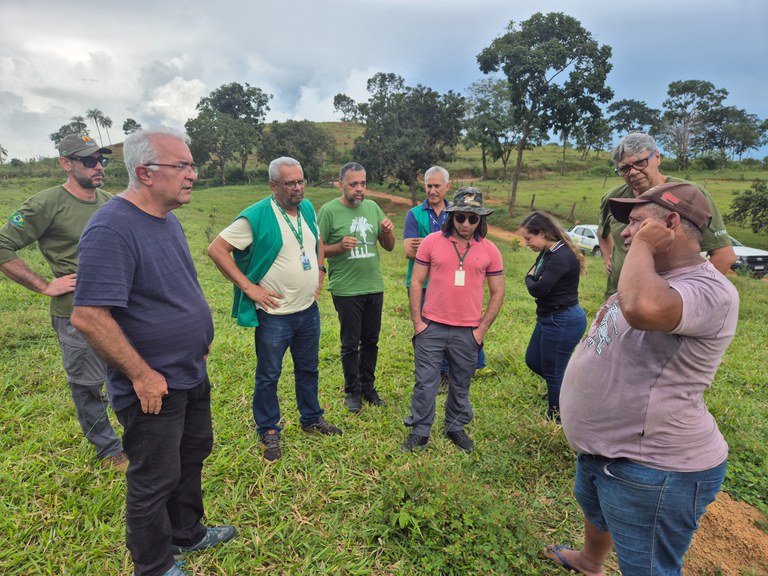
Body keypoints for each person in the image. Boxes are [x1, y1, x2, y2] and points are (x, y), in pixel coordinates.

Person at [547, 182, 739, 575]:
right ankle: (589, 562)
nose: (626, 233)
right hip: (608, 449)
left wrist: (641, 247)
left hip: (654, 466)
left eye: (636, 223)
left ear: (669, 222)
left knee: (648, 566)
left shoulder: (709, 290)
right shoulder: (647, 273)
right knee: (596, 512)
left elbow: (639, 308)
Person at [71, 128, 236, 576]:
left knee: (191, 454)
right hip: (153, 386)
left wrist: (196, 345)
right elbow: (89, 316)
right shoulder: (111, 228)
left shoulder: (167, 218)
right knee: (153, 477)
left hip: (189, 371)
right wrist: (142, 375)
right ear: (144, 172)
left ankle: (188, 533)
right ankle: (155, 564)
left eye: (191, 164)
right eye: (181, 166)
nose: (192, 175)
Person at [0, 134, 126, 470]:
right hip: (77, 313)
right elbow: (2, 245)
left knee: (125, 376)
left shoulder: (110, 201)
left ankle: (137, 437)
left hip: (119, 310)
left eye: (102, 160)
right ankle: (109, 451)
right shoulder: (45, 204)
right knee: (88, 385)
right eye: (89, 161)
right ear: (65, 163)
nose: (98, 166)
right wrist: (43, 285)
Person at [207, 156, 341, 463]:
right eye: (290, 183)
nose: (298, 188)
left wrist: (319, 269)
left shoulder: (306, 208)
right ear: (273, 185)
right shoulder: (255, 216)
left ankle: (311, 419)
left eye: (301, 181)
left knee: (308, 369)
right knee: (269, 375)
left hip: (307, 311)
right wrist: (249, 287)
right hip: (274, 317)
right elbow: (217, 249)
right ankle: (268, 429)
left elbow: (316, 241)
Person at [401, 188, 504, 453]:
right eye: (460, 218)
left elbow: (498, 292)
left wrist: (480, 331)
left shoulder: (490, 250)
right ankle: (420, 431)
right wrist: (418, 323)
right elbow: (416, 281)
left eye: (473, 219)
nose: (466, 224)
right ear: (451, 217)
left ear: (481, 220)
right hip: (431, 326)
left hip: (468, 331)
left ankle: (455, 427)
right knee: (425, 382)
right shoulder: (431, 242)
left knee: (461, 382)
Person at [597, 132, 735, 298]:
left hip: (664, 302)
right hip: (618, 296)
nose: (633, 172)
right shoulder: (613, 198)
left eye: (640, 162)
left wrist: (687, 297)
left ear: (657, 157)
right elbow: (602, 232)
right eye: (624, 168)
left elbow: (724, 256)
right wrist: (608, 258)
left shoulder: (689, 195)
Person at [403, 166, 490, 393]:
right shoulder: (414, 214)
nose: (432, 190)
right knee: (429, 330)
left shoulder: (458, 212)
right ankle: (436, 374)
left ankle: (460, 370)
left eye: (437, 186)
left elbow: (466, 245)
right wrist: (435, 251)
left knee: (458, 327)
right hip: (423, 284)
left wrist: (430, 247)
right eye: (429, 186)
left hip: (452, 285)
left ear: (447, 187)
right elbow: (409, 250)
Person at [318, 162, 395, 413]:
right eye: (353, 184)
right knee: (350, 343)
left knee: (371, 341)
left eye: (362, 183)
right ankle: (352, 391)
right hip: (346, 288)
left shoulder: (372, 207)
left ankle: (368, 388)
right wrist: (338, 247)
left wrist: (387, 231)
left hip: (373, 285)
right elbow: (317, 250)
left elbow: (389, 246)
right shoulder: (328, 211)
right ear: (341, 185)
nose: (359, 189)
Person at [519, 211, 587, 421]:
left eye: (529, 238)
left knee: (553, 371)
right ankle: (568, 391)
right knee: (533, 360)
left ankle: (556, 417)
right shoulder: (547, 253)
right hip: (548, 318)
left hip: (562, 320)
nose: (526, 243)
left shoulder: (561, 256)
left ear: (542, 233)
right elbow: (532, 278)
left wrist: (530, 280)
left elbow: (539, 289)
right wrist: (530, 279)